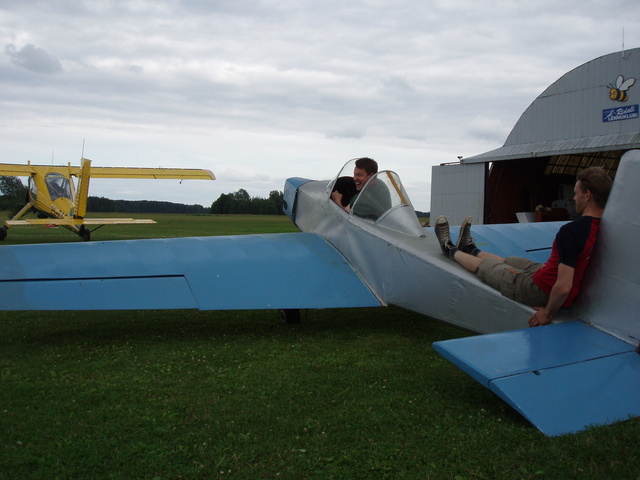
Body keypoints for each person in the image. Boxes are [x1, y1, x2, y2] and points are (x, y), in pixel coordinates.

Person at [434, 166, 612, 327]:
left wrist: (548, 313)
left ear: (587, 195)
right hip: (548, 275)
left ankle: (449, 248)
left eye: (576, 193)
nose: (573, 198)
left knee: (487, 267)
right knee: (512, 261)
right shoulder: (605, 227)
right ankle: (470, 249)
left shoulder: (572, 230)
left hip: (540, 290)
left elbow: (563, 286)